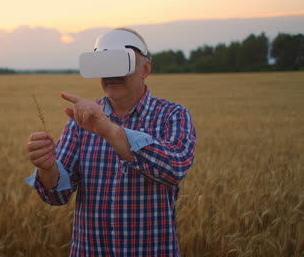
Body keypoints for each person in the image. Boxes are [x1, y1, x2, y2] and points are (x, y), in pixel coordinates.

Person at [25, 28, 196, 257]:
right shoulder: (81, 121)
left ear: (145, 69)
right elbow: (58, 195)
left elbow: (174, 168)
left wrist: (110, 131)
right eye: (105, 65)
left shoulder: (172, 115)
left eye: (122, 64)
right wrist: (47, 169)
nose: (112, 74)